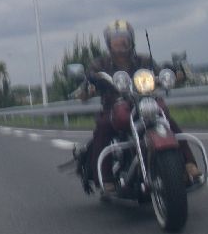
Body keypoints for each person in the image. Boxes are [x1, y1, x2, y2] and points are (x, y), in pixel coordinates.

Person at [75, 19, 200, 194]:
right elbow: (86, 86)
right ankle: (104, 178)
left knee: (167, 120)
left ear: (131, 40)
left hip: (145, 102)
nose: (119, 43)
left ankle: (189, 163)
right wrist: (88, 87)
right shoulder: (100, 65)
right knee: (103, 127)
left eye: (123, 39)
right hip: (114, 107)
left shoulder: (144, 60)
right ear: (109, 43)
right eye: (115, 40)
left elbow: (160, 75)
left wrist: (176, 74)